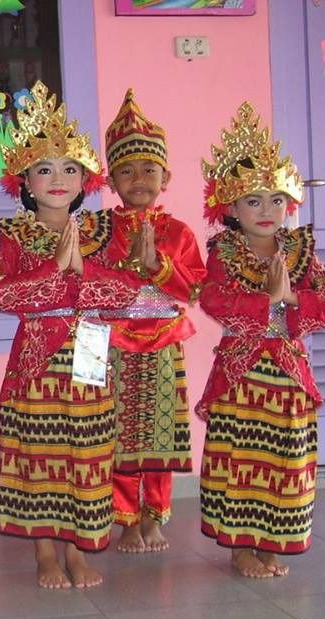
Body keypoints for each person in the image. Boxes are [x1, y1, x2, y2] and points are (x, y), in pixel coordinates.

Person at [0, 81, 138, 589]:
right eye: (44, 169)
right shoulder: (12, 234)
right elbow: (2, 295)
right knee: (40, 451)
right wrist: (55, 269)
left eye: (69, 169)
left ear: (85, 180)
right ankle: (45, 553)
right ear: (25, 181)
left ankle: (80, 549)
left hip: (91, 345)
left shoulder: (105, 231)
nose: (58, 178)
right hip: (36, 353)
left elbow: (125, 292)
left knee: (88, 449)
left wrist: (83, 271)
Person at [198, 102, 325, 579]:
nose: (267, 210)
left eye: (276, 199)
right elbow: (212, 299)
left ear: (290, 203)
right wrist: (265, 301)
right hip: (241, 371)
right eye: (253, 201)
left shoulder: (302, 250)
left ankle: (274, 540)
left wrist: (291, 298)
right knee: (241, 456)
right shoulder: (223, 251)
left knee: (284, 456)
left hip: (289, 371)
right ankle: (240, 546)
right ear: (231, 209)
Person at [97, 89, 206, 553]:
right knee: (118, 434)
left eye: (148, 169)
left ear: (166, 176)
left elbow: (195, 289)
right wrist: (127, 271)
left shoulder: (179, 232)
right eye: (126, 170)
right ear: (111, 180)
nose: (138, 179)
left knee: (160, 433)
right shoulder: (100, 231)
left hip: (163, 343)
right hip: (113, 345)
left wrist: (158, 266)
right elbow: (92, 287)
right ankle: (125, 519)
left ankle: (154, 515)